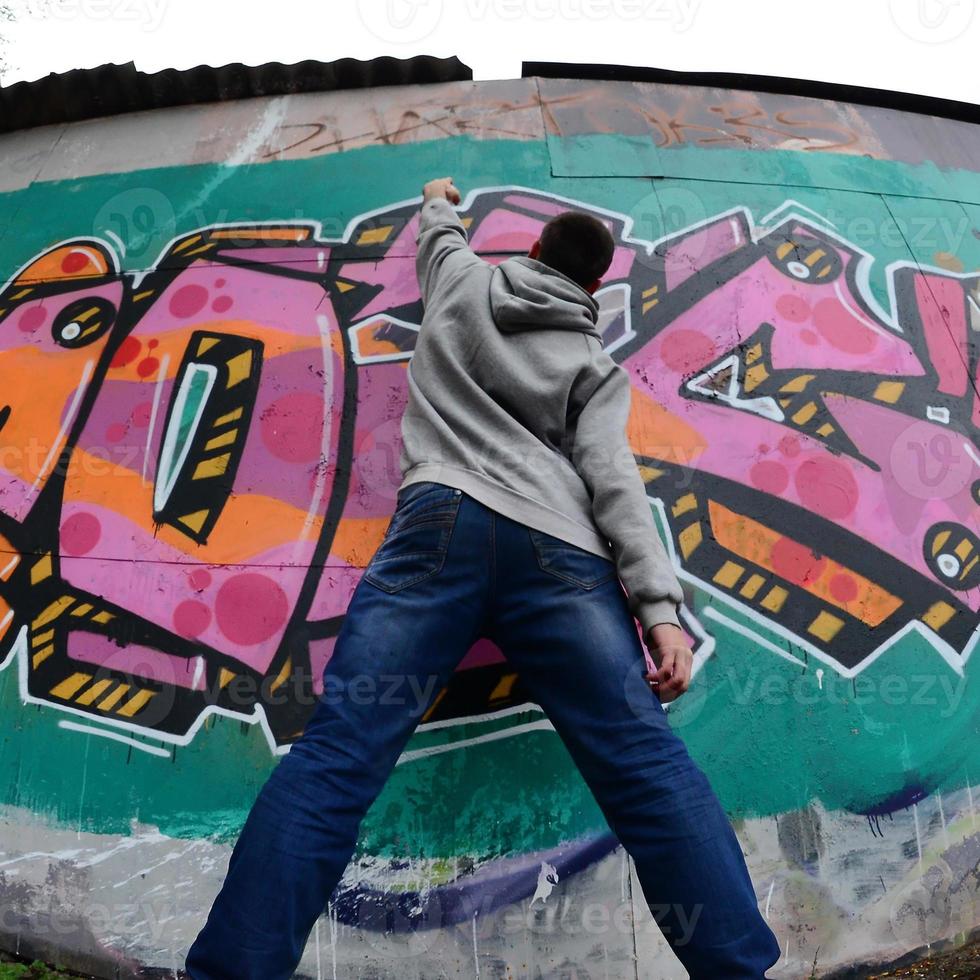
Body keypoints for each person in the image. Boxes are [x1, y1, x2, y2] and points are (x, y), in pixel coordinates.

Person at [185, 177, 781, 979]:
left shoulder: (463, 284)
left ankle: (233, 970)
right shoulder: (592, 363)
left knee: (336, 759)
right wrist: (660, 610)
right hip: (561, 553)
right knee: (645, 767)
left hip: (439, 527)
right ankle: (738, 968)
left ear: (533, 252)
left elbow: (439, 238)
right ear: (592, 287)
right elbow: (612, 477)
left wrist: (437, 199)